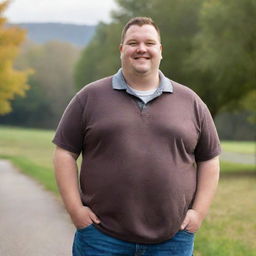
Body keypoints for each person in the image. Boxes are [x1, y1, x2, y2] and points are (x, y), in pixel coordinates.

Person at [53, 17, 221, 256]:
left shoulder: (191, 102)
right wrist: (75, 210)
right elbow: (64, 152)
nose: (142, 49)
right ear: (121, 49)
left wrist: (198, 213)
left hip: (173, 239)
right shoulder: (89, 97)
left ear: (160, 50)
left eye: (149, 43)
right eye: (133, 43)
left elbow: (210, 159)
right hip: (101, 238)